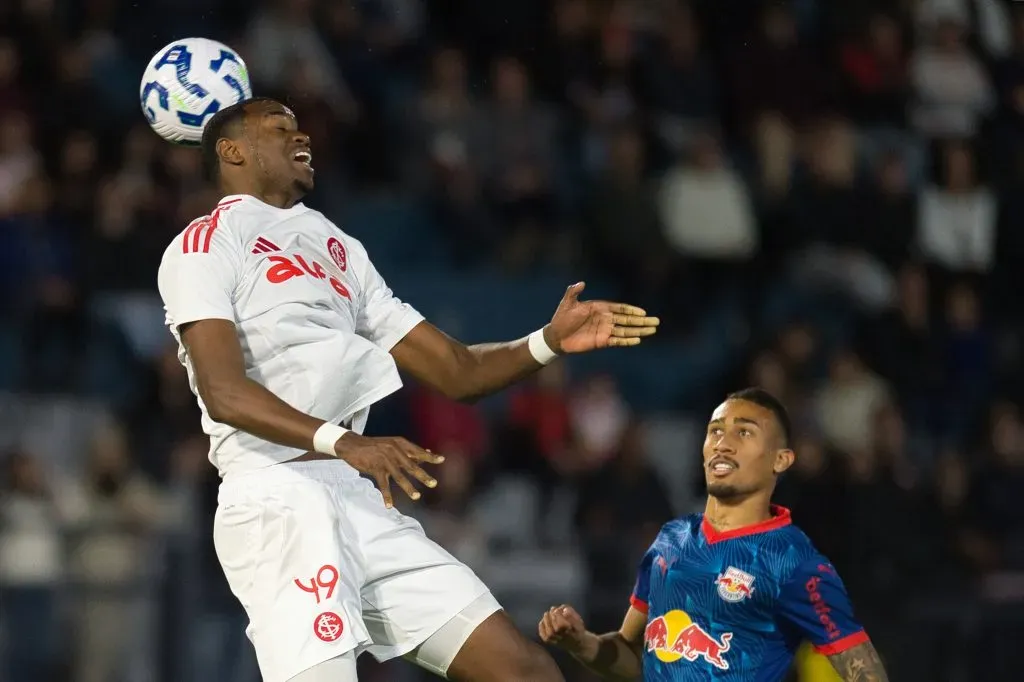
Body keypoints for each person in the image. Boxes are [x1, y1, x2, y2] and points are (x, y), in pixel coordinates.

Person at [155, 96, 659, 682]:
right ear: (232, 150)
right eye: (280, 128)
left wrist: (545, 341)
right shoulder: (204, 244)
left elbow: (458, 371)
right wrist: (342, 443)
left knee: (524, 670)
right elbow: (223, 393)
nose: (302, 137)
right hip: (277, 496)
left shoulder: (335, 244)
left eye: (301, 128)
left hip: (355, 492)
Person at [538, 388, 889, 681]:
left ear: (780, 460)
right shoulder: (671, 540)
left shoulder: (793, 560)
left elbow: (864, 670)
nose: (723, 443)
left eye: (744, 432)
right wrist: (580, 642)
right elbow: (634, 655)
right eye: (716, 430)